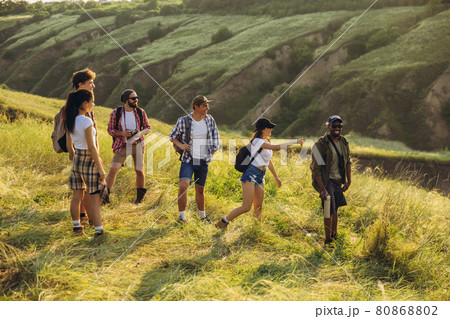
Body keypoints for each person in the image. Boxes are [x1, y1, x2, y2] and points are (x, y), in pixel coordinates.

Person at [215, 118, 304, 229]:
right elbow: (276, 148)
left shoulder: (266, 141)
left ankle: (256, 229)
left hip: (261, 175)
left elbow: (268, 161)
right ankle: (223, 222)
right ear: (262, 129)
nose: (271, 129)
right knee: (246, 207)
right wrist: (295, 141)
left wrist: (276, 177)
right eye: (268, 127)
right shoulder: (257, 141)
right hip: (251, 174)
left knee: (258, 207)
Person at [169, 95, 220, 223]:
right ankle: (181, 217)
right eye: (204, 106)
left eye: (207, 106)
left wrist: (210, 155)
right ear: (196, 107)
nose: (207, 108)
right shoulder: (183, 121)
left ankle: (202, 217)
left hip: (203, 160)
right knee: (183, 186)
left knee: (200, 190)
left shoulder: (209, 120)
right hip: (188, 160)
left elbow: (215, 139)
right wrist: (180, 145)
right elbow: (173, 136)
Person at [64, 90, 105, 236]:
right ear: (85, 103)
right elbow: (92, 147)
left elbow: (70, 147)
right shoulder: (86, 121)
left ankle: (77, 228)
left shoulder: (69, 119)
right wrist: (100, 168)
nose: (93, 104)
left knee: (77, 196)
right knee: (94, 197)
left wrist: (74, 157)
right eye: (92, 102)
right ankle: (99, 231)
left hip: (77, 158)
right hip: (89, 159)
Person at [310, 115, 351, 245]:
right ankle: (328, 240)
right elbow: (316, 169)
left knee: (336, 208)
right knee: (328, 210)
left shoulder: (344, 142)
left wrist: (349, 181)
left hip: (338, 180)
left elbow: (348, 162)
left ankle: (334, 234)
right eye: (334, 126)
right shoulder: (319, 144)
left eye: (339, 126)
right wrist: (322, 188)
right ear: (328, 126)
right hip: (326, 181)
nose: (337, 128)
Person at [104, 89, 151, 204]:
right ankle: (105, 196)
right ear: (126, 100)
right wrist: (122, 133)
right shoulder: (116, 112)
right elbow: (110, 130)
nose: (136, 100)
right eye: (133, 98)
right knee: (113, 169)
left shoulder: (140, 112)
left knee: (139, 170)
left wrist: (139, 133)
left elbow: (147, 127)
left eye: (137, 98)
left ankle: (139, 199)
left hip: (137, 144)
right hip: (122, 145)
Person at [66, 68, 97, 226]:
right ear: (81, 84)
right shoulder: (79, 106)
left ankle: (81, 220)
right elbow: (69, 130)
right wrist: (71, 149)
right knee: (89, 191)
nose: (93, 86)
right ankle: (94, 222)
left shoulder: (81, 103)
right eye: (90, 83)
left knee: (80, 191)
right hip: (84, 152)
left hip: (81, 151)